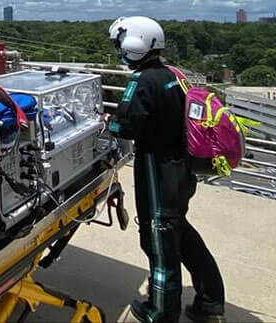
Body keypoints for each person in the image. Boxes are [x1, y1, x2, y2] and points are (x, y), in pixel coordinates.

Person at [106, 16, 225, 323]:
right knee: (180, 234)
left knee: (159, 242)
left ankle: (160, 311)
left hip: (159, 171)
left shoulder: (142, 81)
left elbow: (127, 125)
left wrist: (108, 121)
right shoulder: (174, 74)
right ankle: (211, 301)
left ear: (134, 44)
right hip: (182, 168)